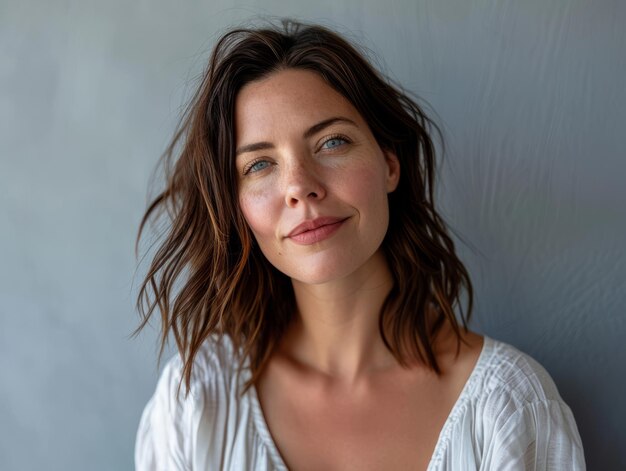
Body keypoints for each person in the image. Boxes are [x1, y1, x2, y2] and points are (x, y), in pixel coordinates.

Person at [133, 18, 585, 470]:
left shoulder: (508, 409)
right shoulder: (196, 404)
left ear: (390, 164)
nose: (300, 187)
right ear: (236, 207)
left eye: (332, 142)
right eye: (259, 166)